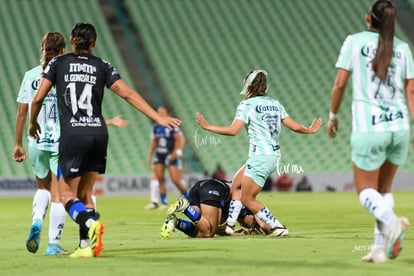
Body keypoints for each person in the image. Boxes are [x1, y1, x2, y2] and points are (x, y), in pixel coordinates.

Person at [28, 23, 181, 258]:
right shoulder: (103, 65)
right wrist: (157, 117)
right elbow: (128, 94)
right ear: (94, 43)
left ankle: (90, 224)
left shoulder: (59, 63)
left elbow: (38, 98)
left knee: (66, 194)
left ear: (72, 40)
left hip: (73, 136)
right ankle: (84, 247)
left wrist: (32, 123)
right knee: (86, 193)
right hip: (99, 134)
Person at [327, 0, 413, 263]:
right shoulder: (403, 48)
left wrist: (333, 115)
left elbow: (340, 83)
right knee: (383, 189)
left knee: (365, 190)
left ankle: (392, 222)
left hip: (369, 126)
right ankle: (378, 249)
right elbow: (411, 90)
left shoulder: (355, 42)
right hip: (399, 126)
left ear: (368, 19)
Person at [196, 70, 323, 236]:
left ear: (248, 85)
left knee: (248, 199)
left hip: (261, 157)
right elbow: (293, 125)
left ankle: (278, 226)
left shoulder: (246, 105)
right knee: (237, 184)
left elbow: (234, 130)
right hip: (272, 155)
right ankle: (229, 226)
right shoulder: (275, 104)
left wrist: (208, 127)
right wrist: (309, 130)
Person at [13, 32, 69, 256]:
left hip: (35, 140)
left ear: (42, 50)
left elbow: (21, 113)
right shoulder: (65, 77)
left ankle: (37, 221)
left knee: (42, 187)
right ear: (63, 51)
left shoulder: (31, 76)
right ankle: (53, 244)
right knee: (59, 194)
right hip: (61, 141)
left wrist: (17, 143)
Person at [145, 106, 188, 210]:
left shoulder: (172, 125)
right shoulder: (156, 126)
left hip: (170, 155)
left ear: (167, 114)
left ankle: (188, 197)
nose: (161, 114)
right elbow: (154, 141)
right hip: (159, 155)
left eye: (163, 112)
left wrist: (175, 153)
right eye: (159, 112)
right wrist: (150, 156)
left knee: (175, 179)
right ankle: (164, 203)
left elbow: (179, 140)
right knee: (160, 179)